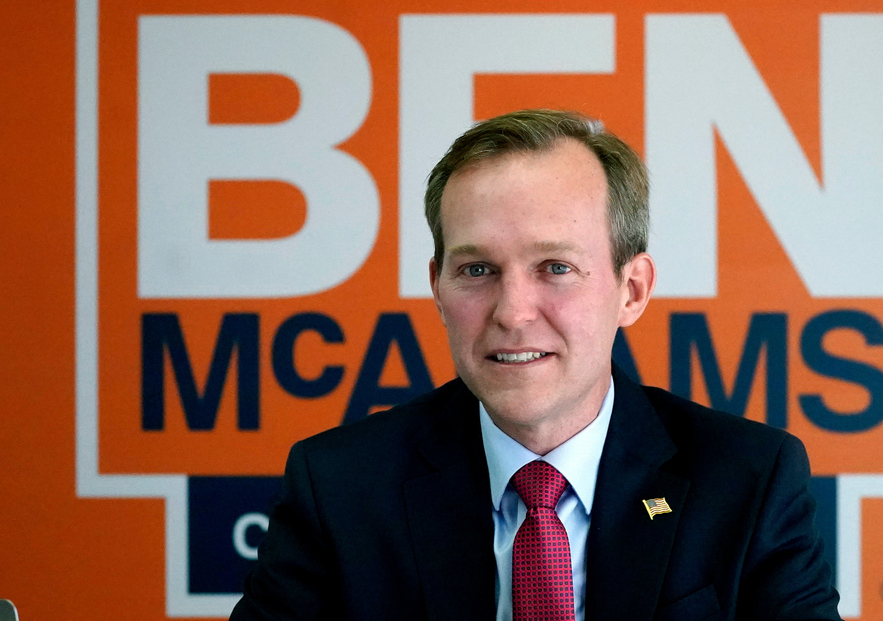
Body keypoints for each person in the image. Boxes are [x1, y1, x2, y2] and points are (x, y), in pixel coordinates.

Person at [230, 109, 842, 620]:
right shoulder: (339, 487)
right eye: (476, 271)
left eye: (555, 267)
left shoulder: (748, 481)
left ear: (631, 290)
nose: (513, 312)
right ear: (437, 289)